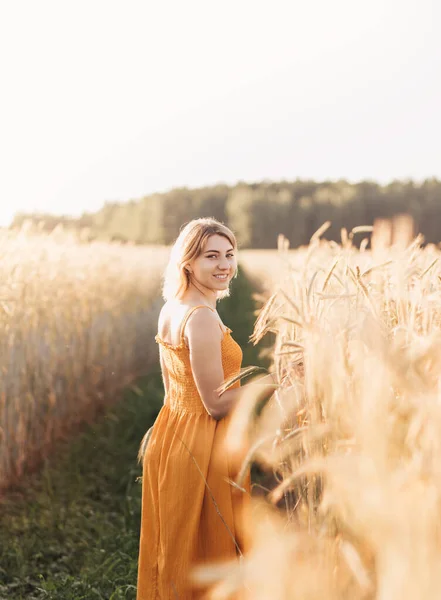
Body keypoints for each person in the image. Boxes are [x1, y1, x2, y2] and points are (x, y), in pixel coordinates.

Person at [136, 218, 274, 599]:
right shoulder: (199, 318)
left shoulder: (174, 308)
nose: (224, 265)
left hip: (172, 437)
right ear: (188, 262)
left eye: (229, 255)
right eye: (211, 256)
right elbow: (214, 403)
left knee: (181, 552)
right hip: (205, 447)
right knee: (212, 557)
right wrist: (272, 383)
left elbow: (178, 390)